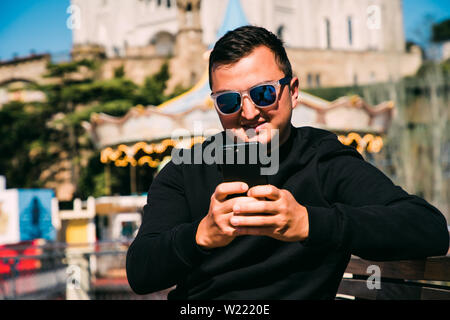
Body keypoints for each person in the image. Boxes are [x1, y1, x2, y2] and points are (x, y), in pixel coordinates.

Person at [126, 25, 449, 300]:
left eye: (264, 94)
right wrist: (201, 234)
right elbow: (141, 273)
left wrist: (308, 222)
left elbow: (428, 228)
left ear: (292, 92)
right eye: (229, 101)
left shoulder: (323, 158)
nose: (249, 112)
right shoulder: (185, 169)